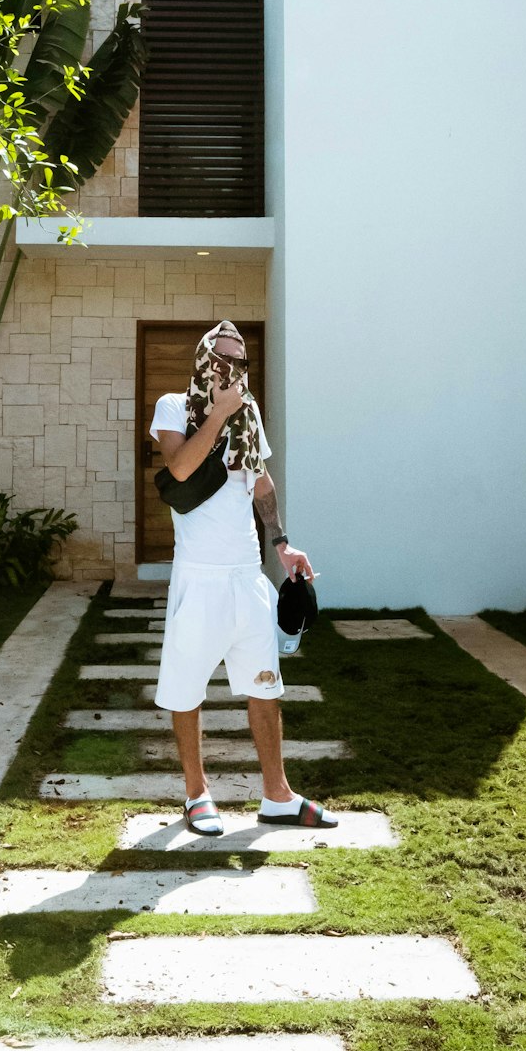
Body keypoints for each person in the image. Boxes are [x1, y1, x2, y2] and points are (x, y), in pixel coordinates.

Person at [150, 318, 338, 837]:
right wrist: (218, 414)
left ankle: (277, 796)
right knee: (187, 690)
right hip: (199, 577)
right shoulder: (173, 406)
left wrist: (282, 545)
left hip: (246, 575)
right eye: (223, 357)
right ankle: (197, 794)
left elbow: (260, 483)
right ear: (204, 359)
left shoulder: (249, 413)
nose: (232, 368)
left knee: (266, 685)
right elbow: (182, 469)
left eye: (240, 360)